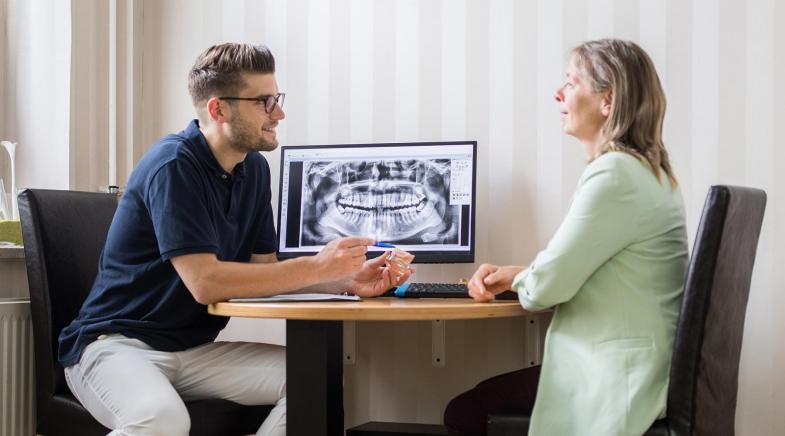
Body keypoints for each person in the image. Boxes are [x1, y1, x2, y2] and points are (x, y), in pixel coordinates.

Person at [58, 43, 411, 436]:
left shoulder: (254, 170)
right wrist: (316, 265)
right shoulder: (174, 165)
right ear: (218, 109)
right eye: (264, 102)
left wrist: (345, 281)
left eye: (276, 99)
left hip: (191, 351)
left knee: (313, 380)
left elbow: (264, 274)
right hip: (114, 347)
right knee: (162, 420)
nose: (279, 113)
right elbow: (205, 284)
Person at [443, 39, 689, 436]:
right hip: (642, 366)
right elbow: (598, 271)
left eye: (572, 83)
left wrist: (526, 278)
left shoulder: (614, 176)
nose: (558, 93)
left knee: (464, 412)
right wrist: (520, 273)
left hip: (614, 377)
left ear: (607, 101)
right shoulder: (652, 174)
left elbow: (545, 289)